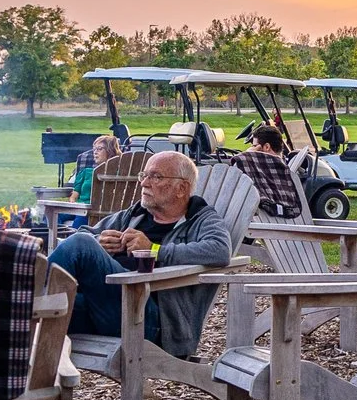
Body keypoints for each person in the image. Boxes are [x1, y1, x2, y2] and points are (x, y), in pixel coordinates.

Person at [47, 151, 231, 357]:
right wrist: (100, 241)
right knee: (45, 311)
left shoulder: (200, 218)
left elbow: (220, 250)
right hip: (105, 307)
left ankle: (30, 296)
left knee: (81, 246)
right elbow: (85, 233)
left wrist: (153, 249)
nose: (144, 183)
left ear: (181, 188)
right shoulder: (135, 214)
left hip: (149, 321)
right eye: (144, 175)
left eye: (156, 177)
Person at [73, 133, 124, 203]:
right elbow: (73, 197)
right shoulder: (86, 172)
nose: (95, 152)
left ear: (110, 151)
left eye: (99, 149)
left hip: (106, 211)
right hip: (80, 209)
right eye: (94, 149)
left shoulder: (120, 175)